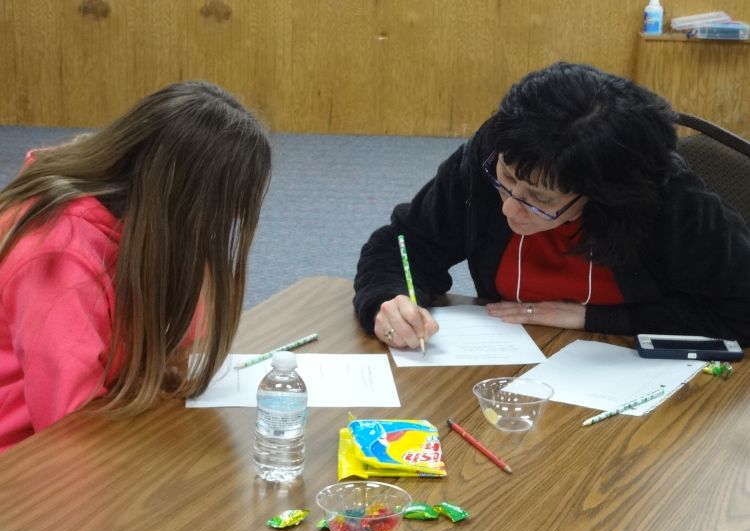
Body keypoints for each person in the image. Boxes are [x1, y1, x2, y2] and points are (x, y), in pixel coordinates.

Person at [353, 62, 750, 350]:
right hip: (514, 368)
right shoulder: (494, 154)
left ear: (603, 195)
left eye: (541, 201)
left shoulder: (674, 207)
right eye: (507, 180)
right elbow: (406, 242)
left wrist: (596, 318)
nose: (509, 210)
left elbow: (741, 313)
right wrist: (389, 298)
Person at [0, 81, 272, 452]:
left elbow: (179, 340)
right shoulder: (58, 258)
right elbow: (68, 433)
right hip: (27, 457)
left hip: (109, 411)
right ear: (181, 201)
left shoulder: (137, 214)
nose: (219, 233)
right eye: (218, 217)